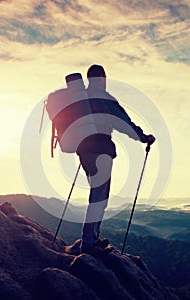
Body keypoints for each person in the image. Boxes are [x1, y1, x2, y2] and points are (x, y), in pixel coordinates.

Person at [76, 64, 155, 255]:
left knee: (97, 193)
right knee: (99, 196)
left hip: (83, 150)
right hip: (101, 150)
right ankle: (88, 242)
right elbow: (124, 123)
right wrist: (144, 137)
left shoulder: (80, 99)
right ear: (103, 78)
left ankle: (92, 237)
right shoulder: (104, 99)